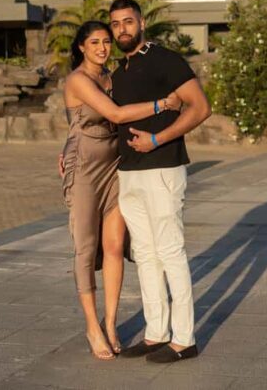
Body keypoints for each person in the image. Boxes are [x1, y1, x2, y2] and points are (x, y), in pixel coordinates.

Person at [60, 20, 181, 361]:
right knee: (85, 248)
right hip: (84, 167)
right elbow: (113, 113)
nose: (102, 47)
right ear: (81, 47)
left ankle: (110, 324)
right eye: (95, 42)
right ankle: (92, 327)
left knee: (114, 246)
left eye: (106, 42)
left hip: (114, 166)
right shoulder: (78, 80)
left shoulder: (110, 78)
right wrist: (163, 104)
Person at [109, 0, 212, 363]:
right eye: (116, 23)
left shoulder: (165, 59)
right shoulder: (118, 71)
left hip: (163, 168)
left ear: (141, 23)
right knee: (146, 255)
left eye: (128, 21)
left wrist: (157, 139)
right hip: (129, 172)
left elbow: (200, 107)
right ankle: (156, 333)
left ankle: (184, 339)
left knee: (170, 252)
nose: (122, 28)